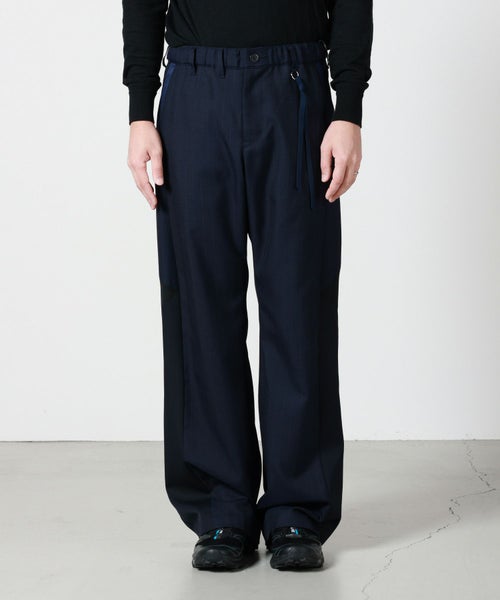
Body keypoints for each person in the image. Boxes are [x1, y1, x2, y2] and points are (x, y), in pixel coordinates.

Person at [121, 0, 373, 571]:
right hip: (194, 88)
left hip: (296, 88)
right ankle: (222, 505)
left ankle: (297, 507)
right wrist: (140, 110)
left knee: (299, 303)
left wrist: (349, 109)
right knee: (200, 307)